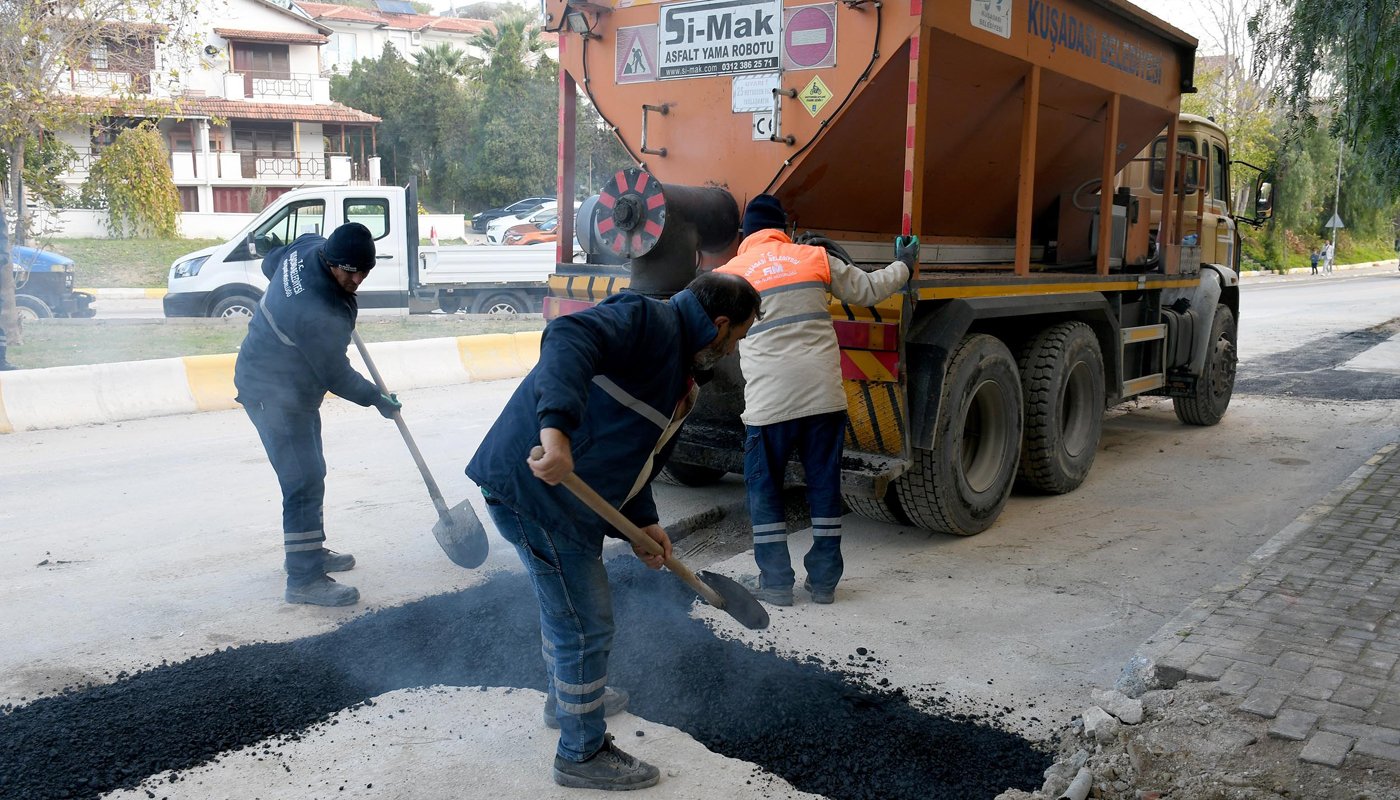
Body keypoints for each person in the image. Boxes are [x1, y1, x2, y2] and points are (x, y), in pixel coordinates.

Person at [466, 271, 760, 791]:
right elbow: (567, 337)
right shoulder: (651, 320)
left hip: (563, 500)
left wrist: (643, 521)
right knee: (586, 623)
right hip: (536, 491)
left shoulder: (679, 367)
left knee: (567, 611)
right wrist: (555, 431)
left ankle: (567, 700)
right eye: (736, 337)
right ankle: (581, 752)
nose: (733, 349)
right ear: (718, 325)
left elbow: (634, 455)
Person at [716, 195, 916, 606]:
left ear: (744, 234)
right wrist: (905, 265)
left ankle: (774, 583)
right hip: (823, 400)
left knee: (764, 487)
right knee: (823, 486)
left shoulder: (728, 275)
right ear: (784, 229)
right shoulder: (814, 258)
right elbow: (871, 290)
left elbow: (705, 330)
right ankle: (824, 583)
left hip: (769, 405)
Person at [234, 222, 403, 607]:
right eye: (350, 272)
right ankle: (304, 579)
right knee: (302, 480)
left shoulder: (307, 247)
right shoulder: (315, 314)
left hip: (292, 389)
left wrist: (279, 263)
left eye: (364, 271)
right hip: (271, 393)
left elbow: (272, 263)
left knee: (311, 472)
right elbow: (336, 374)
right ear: (330, 262)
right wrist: (377, 398)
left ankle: (309, 550)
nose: (357, 279)